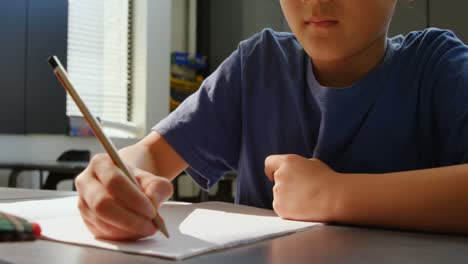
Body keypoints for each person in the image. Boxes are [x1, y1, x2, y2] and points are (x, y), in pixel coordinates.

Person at [75, 0, 468, 241]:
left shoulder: (437, 68)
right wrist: (116, 177)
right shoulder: (257, 67)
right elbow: (151, 156)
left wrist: (333, 195)